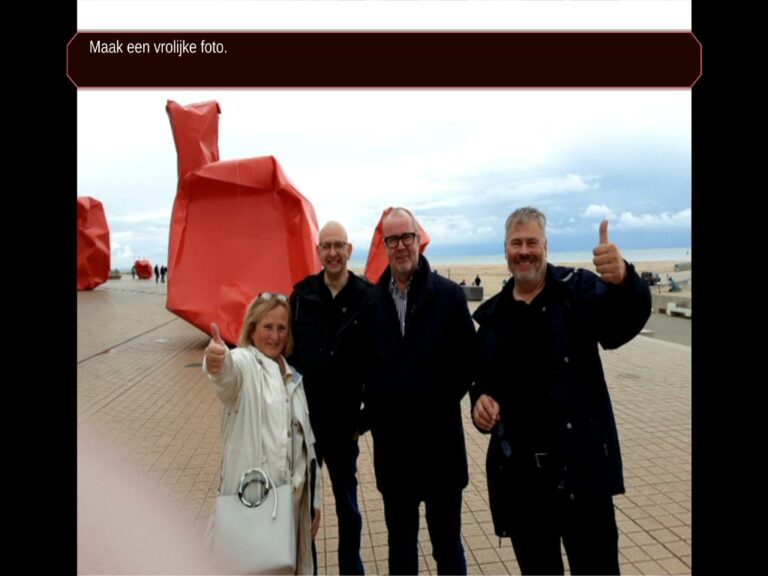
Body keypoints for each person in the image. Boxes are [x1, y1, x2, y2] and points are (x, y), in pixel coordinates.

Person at [470, 207, 651, 575]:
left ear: (546, 246)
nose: (524, 251)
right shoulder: (493, 317)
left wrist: (625, 280)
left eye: (531, 242)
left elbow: (621, 324)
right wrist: (479, 405)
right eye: (516, 243)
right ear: (505, 250)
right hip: (524, 486)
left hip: (582, 476)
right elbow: (482, 384)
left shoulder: (577, 290)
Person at [361, 207, 476, 575]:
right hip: (393, 453)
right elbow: (364, 369)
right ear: (384, 246)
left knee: (447, 548)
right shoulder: (371, 303)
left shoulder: (449, 296)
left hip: (441, 448)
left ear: (418, 240)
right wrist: (362, 418)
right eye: (392, 239)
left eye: (406, 237)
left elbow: (468, 362)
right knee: (401, 550)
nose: (400, 246)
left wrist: (430, 401)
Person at [203, 293, 322, 575]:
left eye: (282, 328)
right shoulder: (245, 363)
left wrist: (314, 501)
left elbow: (307, 447)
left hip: (290, 508)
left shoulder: (293, 377)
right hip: (253, 507)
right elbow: (227, 376)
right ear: (252, 328)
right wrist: (216, 362)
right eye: (268, 327)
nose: (275, 336)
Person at [289, 221, 371, 575]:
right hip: (306, 425)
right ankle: (308, 570)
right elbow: (284, 352)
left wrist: (363, 421)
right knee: (304, 509)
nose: (333, 252)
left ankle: (351, 570)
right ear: (318, 251)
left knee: (348, 510)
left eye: (339, 245)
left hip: (344, 426)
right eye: (327, 246)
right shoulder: (301, 296)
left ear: (349, 250)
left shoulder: (367, 297)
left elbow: (380, 362)